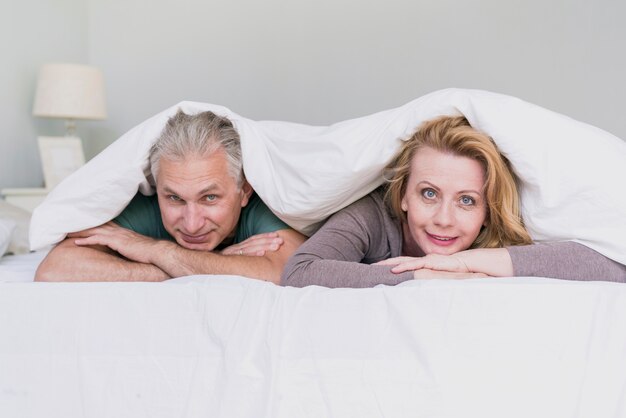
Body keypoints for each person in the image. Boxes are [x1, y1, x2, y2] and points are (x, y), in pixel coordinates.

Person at [281, 115, 626, 287]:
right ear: (403, 195)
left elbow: (615, 266)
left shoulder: (494, 236)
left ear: (489, 211)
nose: (444, 219)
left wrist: (467, 263)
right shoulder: (372, 216)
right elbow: (300, 271)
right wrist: (427, 277)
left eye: (466, 201)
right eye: (428, 194)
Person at [35, 110, 306, 284]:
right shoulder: (146, 207)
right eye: (174, 198)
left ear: (244, 191)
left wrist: (156, 251)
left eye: (210, 198)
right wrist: (180, 268)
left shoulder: (262, 207)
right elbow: (54, 270)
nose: (191, 224)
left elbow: (285, 271)